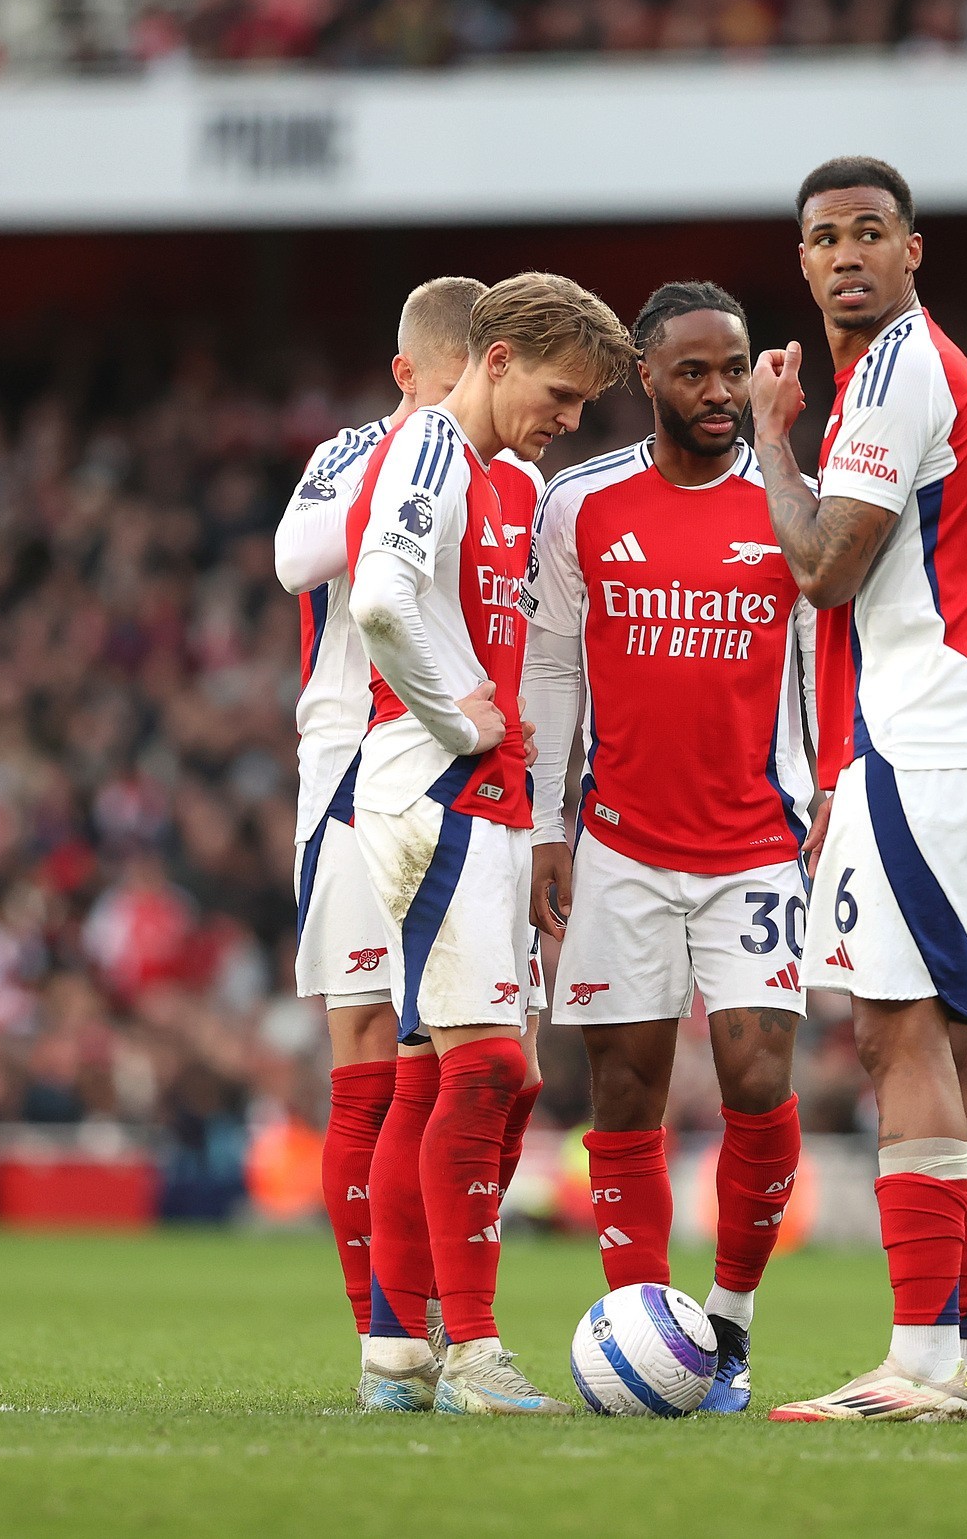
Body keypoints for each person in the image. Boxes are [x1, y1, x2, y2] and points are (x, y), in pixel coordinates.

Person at [746, 157, 967, 1423]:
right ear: (806, 262)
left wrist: (769, 436)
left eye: (874, 232)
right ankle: (960, 1352)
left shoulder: (893, 369)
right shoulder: (907, 370)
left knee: (895, 1027)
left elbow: (822, 567)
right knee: (951, 1030)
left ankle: (921, 1357)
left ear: (912, 251)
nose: (850, 253)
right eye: (827, 238)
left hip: (933, 731)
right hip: (966, 729)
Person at [343, 271, 637, 1415]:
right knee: (493, 1066)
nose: (570, 421)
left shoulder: (511, 480)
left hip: (493, 801)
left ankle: (394, 1352)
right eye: (562, 393)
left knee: (435, 1074)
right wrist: (450, 705)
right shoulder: (429, 452)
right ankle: (469, 1347)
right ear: (498, 355)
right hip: (437, 790)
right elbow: (378, 598)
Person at [522, 280, 816, 1413]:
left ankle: (729, 1329)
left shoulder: (790, 502)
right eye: (691, 371)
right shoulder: (578, 502)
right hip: (618, 845)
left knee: (756, 1077)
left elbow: (822, 667)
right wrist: (548, 824)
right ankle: (644, 1332)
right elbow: (551, 668)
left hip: (753, 843)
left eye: (731, 367)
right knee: (627, 1093)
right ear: (644, 375)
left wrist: (826, 791)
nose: (717, 391)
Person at [277, 276, 541, 1404]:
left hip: (466, 782)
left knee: (478, 1064)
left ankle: (434, 1314)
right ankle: (387, 1338)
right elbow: (296, 557)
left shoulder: (508, 474)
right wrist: (411, 476)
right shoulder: (364, 453)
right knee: (374, 1066)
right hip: (354, 771)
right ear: (416, 375)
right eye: (441, 391)